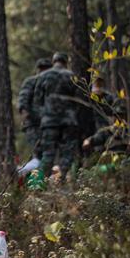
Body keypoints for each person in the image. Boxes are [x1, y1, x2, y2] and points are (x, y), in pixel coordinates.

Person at [32, 52, 80, 182]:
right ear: (65, 62)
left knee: (47, 154)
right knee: (67, 154)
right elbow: (79, 101)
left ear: (53, 61)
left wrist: (43, 116)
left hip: (49, 122)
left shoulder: (43, 76)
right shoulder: (72, 76)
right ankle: (62, 180)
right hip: (68, 121)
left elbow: (36, 101)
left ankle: (38, 185)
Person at [17, 58, 52, 163]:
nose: (44, 71)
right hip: (33, 125)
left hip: (48, 124)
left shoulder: (51, 83)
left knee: (48, 154)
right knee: (39, 154)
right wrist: (27, 116)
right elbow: (23, 101)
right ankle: (33, 176)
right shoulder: (31, 81)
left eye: (46, 69)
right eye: (42, 69)